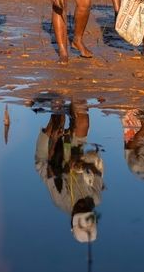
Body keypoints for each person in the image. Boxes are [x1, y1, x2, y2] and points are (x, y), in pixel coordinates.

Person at [34, 103, 104, 243]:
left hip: (48, 160)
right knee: (83, 121)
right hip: (75, 156)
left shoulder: (61, 201)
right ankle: (76, 96)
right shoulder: (95, 198)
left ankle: (58, 106)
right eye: (86, 210)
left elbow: (50, 170)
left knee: (57, 122)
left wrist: (54, 140)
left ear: (72, 218)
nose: (83, 205)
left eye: (79, 211)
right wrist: (82, 164)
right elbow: (96, 170)